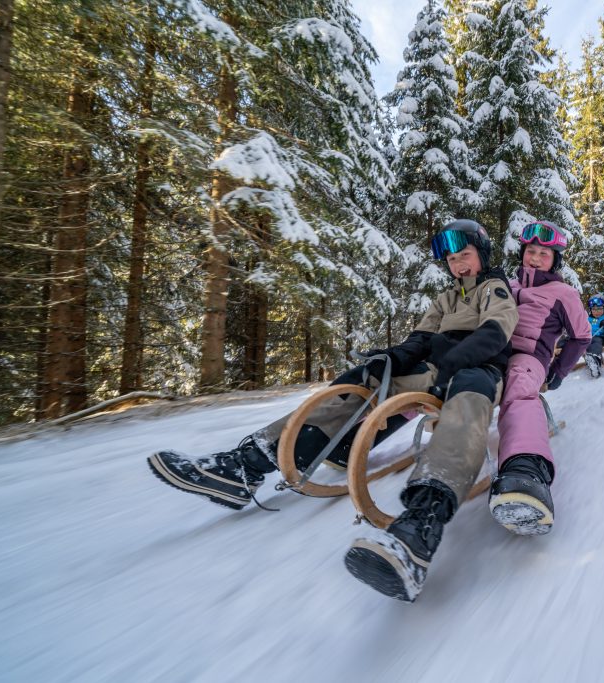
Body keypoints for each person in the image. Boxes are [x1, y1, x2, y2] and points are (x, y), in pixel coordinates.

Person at [149, 219, 519, 602]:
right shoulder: (446, 298)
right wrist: (390, 357)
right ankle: (247, 465)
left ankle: (420, 526)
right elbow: (420, 341)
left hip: (476, 371)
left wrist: (454, 365)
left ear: (482, 255)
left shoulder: (493, 287)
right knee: (358, 382)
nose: (459, 264)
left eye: (466, 256)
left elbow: (496, 332)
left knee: (467, 397)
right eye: (453, 259)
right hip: (431, 373)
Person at [491, 221, 591, 536]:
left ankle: (526, 473)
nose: (535, 258)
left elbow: (581, 336)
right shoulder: (506, 284)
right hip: (491, 352)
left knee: (519, 389)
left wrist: (557, 371)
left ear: (555, 260)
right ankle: (367, 426)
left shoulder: (563, 293)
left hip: (529, 357)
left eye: (544, 254)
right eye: (530, 251)